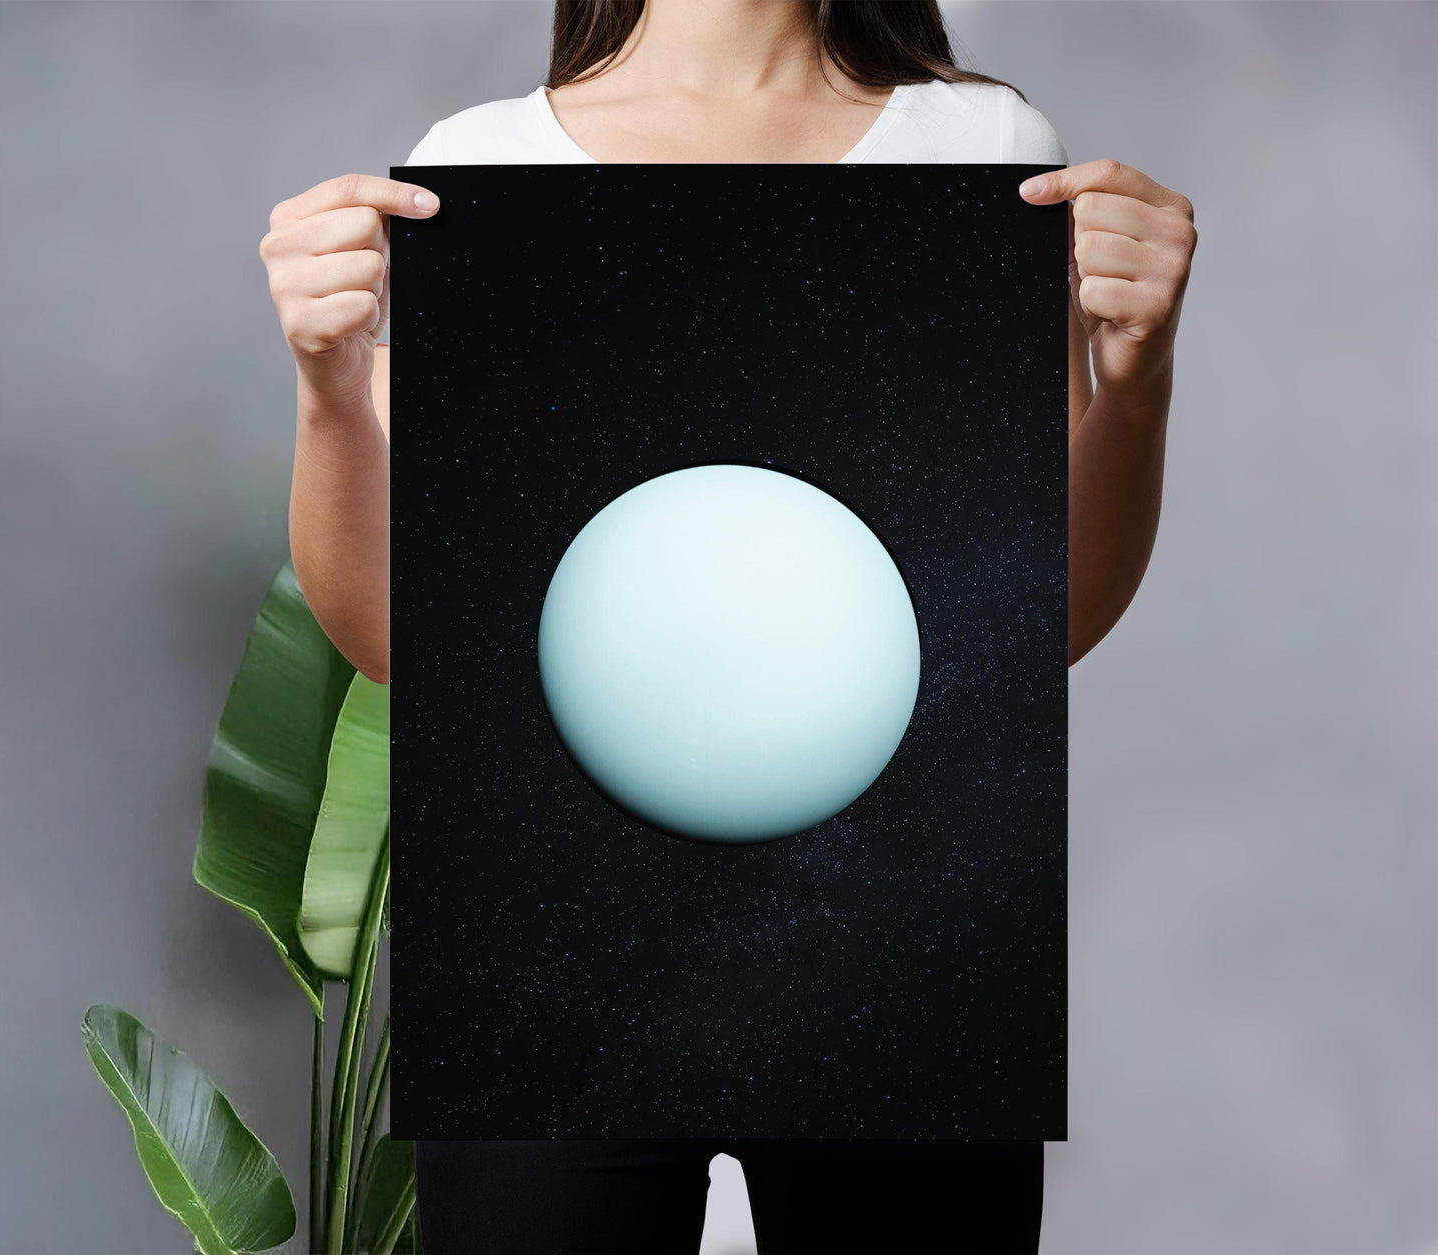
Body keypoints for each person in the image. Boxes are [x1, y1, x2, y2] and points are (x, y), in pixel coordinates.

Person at [259, 1, 1196, 1249]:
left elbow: (1033, 627)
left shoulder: (982, 146)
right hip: (553, 951)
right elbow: (398, 646)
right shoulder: (476, 169)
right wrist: (331, 391)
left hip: (893, 941)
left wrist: (1135, 384)